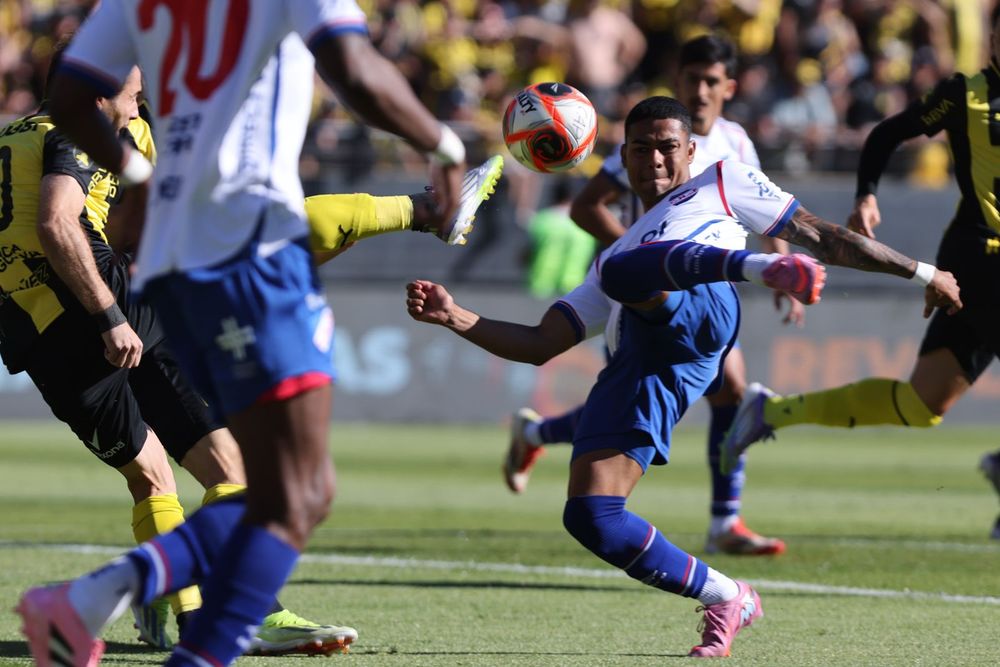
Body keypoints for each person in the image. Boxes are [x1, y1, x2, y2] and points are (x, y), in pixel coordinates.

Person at [405, 96, 959, 658]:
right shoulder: (613, 258)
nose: (655, 160)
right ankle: (728, 595)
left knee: (625, 269)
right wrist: (454, 315)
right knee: (591, 518)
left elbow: (825, 237)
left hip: (706, 309)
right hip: (645, 361)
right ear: (624, 157)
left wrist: (922, 272)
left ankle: (760, 267)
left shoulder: (722, 181)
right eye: (641, 149)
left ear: (691, 150)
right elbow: (538, 343)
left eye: (668, 147)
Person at [17, 2, 470, 666]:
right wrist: (445, 146)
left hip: (172, 268)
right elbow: (354, 66)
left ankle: (140, 609)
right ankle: (105, 597)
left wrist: (140, 177)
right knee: (291, 487)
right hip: (245, 248)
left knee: (292, 488)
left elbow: (68, 95)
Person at [504, 35, 804, 556]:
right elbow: (586, 208)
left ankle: (722, 518)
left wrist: (782, 260)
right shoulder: (654, 138)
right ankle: (721, 519)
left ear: (728, 88)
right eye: (693, 80)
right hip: (648, 290)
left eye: (712, 82)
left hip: (709, 283)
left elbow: (766, 205)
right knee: (663, 398)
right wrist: (634, 256)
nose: (702, 90)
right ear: (680, 81)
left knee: (701, 395)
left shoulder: (734, 142)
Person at [719, 5, 1000, 542]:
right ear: (992, 39)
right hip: (979, 262)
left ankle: (773, 411)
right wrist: (866, 194)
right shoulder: (966, 94)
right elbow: (885, 135)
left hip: (976, 269)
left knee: (922, 404)